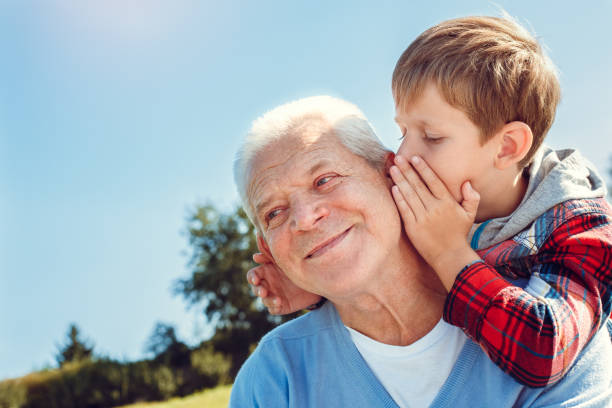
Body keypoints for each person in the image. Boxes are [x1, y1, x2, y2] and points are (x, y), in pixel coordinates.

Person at [248, 15, 612, 387]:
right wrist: (319, 285)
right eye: (402, 131)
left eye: (432, 137)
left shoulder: (582, 228)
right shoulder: (424, 195)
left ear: (507, 147)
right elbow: (382, 272)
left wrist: (448, 252)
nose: (403, 154)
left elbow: (544, 351)